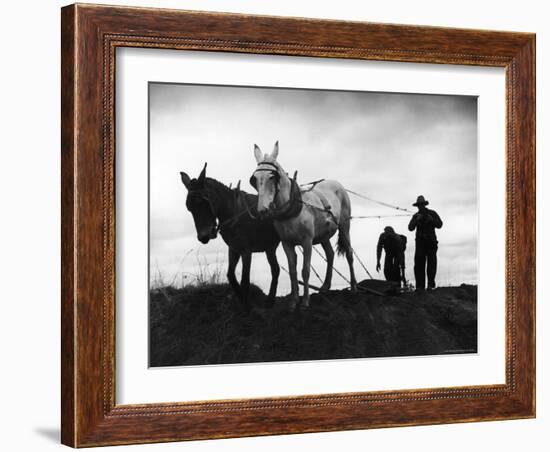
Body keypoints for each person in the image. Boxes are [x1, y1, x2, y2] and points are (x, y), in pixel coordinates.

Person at [408, 195, 443, 291]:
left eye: (421, 205)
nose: (420, 206)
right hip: (420, 244)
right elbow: (410, 228)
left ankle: (430, 286)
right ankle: (420, 287)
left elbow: (440, 224)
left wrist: (432, 220)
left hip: (431, 243)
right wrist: (416, 220)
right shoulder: (415, 216)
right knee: (419, 264)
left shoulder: (432, 213)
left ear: (424, 204)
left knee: (431, 264)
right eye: (419, 205)